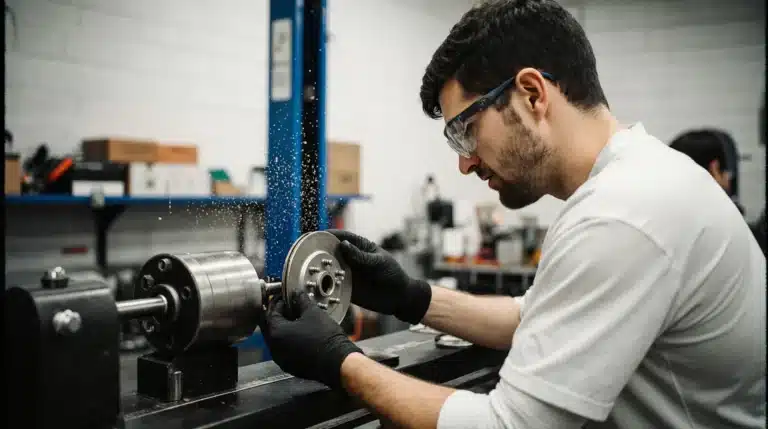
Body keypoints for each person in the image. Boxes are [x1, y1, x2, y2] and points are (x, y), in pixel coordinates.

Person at [259, 1, 767, 428]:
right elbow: (535, 318)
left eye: (465, 130)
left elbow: (511, 425)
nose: (464, 163)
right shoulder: (644, 176)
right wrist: (411, 297)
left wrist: (339, 362)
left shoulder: (621, 214)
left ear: (532, 95)